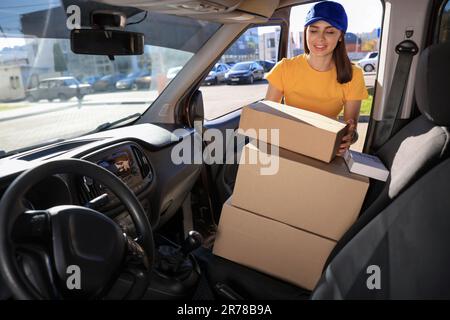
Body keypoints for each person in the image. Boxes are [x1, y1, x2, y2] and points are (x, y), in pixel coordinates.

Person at [265, 1, 368, 156]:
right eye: (313, 30)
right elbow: (266, 117)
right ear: (306, 32)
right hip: (287, 145)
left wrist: (350, 137)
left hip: (325, 148)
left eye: (330, 32)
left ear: (340, 36)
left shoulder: (354, 74)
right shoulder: (284, 68)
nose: (320, 38)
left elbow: (351, 131)